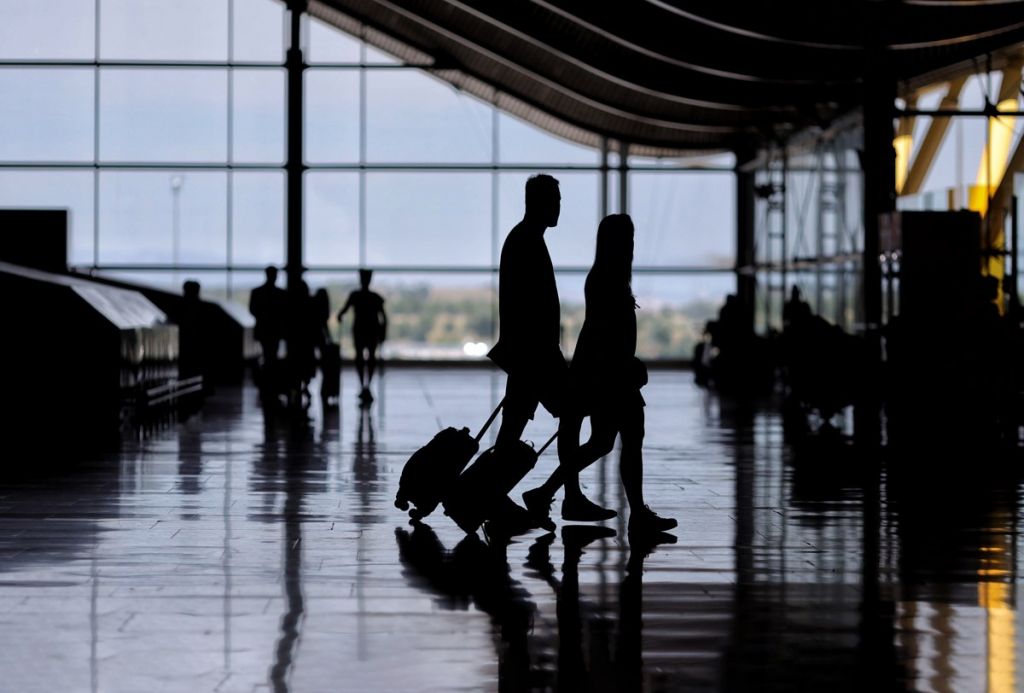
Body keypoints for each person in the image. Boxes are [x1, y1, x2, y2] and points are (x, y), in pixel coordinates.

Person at [522, 215, 676, 535]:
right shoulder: (609, 279)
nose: (632, 245)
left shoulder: (605, 276)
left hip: (609, 374)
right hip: (613, 377)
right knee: (624, 440)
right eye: (628, 239)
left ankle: (547, 493)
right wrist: (627, 365)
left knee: (606, 442)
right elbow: (606, 333)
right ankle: (636, 513)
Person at [486, 174, 608, 532]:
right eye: (554, 200)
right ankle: (564, 495)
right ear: (538, 202)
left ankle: (499, 495)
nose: (559, 207)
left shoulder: (524, 239)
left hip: (530, 353)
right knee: (568, 414)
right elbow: (529, 307)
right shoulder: (527, 242)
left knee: (516, 425)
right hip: (534, 354)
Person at [338, 269, 387, 403]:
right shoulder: (374, 297)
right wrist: (383, 333)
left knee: (362, 358)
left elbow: (343, 311)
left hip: (361, 330)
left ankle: (364, 386)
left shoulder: (356, 296)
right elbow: (383, 318)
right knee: (368, 358)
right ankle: (366, 386)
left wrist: (340, 316)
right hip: (370, 330)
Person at [249, 266, 286, 374]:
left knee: (267, 352)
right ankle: (272, 375)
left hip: (263, 328)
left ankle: (267, 375)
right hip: (276, 328)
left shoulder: (257, 292)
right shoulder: (281, 293)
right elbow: (284, 311)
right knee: (273, 353)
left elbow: (252, 309)